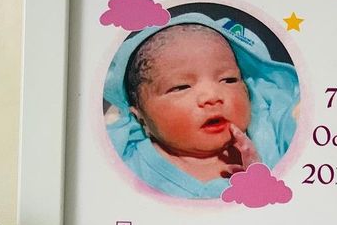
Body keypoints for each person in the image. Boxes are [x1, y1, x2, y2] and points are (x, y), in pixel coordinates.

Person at [103, 13, 299, 199]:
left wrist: (260, 180)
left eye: (228, 80)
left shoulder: (274, 137)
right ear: (141, 118)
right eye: (181, 87)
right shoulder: (125, 164)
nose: (212, 96)